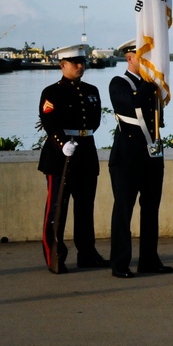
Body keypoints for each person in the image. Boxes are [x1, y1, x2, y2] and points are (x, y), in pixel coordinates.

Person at [38, 44, 109, 273]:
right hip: (61, 156)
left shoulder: (91, 90)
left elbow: (95, 121)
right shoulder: (52, 92)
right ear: (62, 65)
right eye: (75, 63)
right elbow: (49, 122)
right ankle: (54, 255)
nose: (81, 66)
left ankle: (87, 253)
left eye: (83, 63)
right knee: (58, 208)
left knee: (85, 207)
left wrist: (79, 138)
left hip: (86, 153)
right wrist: (62, 143)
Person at [108, 41, 171, 278]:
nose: (148, 63)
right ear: (130, 58)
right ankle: (120, 263)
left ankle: (149, 260)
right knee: (124, 209)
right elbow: (131, 102)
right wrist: (149, 81)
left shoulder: (153, 85)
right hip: (127, 155)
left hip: (151, 154)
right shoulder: (119, 83)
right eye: (142, 58)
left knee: (151, 209)